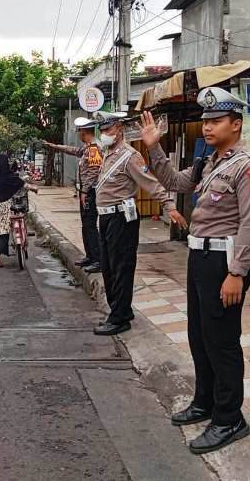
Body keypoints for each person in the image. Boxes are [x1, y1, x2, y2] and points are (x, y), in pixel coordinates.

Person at [139, 87, 250, 455]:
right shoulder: (210, 162)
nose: (208, 127)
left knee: (222, 341)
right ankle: (205, 402)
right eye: (205, 121)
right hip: (199, 258)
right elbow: (175, 183)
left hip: (224, 263)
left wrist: (237, 272)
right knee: (199, 336)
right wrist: (153, 147)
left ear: (236, 123)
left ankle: (230, 418)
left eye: (215, 121)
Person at [92, 112, 188, 336]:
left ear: (119, 129)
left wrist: (169, 206)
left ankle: (119, 319)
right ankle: (121, 310)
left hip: (121, 219)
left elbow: (151, 183)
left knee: (121, 268)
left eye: (108, 130)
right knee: (107, 267)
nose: (104, 134)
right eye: (102, 131)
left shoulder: (130, 157)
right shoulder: (108, 155)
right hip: (106, 218)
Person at [44, 117, 103, 273]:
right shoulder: (86, 148)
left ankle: (98, 260)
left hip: (90, 192)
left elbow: (94, 172)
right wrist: (55, 146)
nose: (78, 134)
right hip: (86, 192)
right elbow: (74, 150)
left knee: (90, 226)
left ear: (83, 132)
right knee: (86, 226)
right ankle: (90, 256)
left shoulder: (94, 149)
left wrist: (84, 191)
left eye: (79, 131)